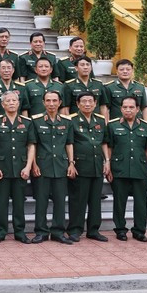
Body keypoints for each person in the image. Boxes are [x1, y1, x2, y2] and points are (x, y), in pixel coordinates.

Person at [104, 95, 147, 242]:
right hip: (119, 169)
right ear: (120, 109)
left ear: (138, 109)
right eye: (125, 107)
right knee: (119, 202)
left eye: (131, 107)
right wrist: (109, 167)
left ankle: (139, 231)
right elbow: (110, 148)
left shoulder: (146, 127)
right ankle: (120, 230)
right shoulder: (112, 126)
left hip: (140, 169)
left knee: (141, 202)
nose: (128, 110)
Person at [0, 91, 35, 244]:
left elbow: (31, 146)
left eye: (14, 100)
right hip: (2, 167)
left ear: (18, 103)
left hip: (20, 168)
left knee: (19, 203)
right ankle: (0, 232)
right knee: (1, 203)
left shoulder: (27, 123)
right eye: (7, 101)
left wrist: (28, 167)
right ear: (2, 105)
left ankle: (20, 232)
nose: (11, 103)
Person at [31, 90, 76, 244]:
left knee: (60, 201)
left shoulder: (67, 121)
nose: (51, 104)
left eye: (54, 101)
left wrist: (71, 163)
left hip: (61, 165)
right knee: (41, 201)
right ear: (43, 102)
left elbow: (69, 144)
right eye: (48, 101)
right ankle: (41, 232)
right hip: (42, 165)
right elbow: (33, 145)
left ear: (60, 102)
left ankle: (58, 232)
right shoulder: (36, 121)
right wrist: (34, 164)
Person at [66, 91, 108, 242]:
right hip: (80, 165)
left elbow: (104, 142)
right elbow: (69, 143)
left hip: (97, 165)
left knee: (95, 200)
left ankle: (93, 230)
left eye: (90, 101)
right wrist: (71, 163)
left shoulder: (101, 120)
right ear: (77, 104)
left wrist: (107, 161)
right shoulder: (71, 120)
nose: (87, 104)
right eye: (84, 101)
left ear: (95, 103)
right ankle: (75, 229)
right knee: (78, 199)